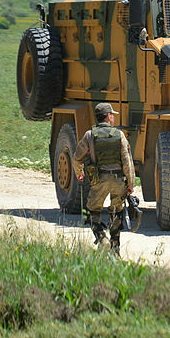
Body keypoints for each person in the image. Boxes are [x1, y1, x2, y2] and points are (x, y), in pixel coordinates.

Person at [72, 102, 135, 257]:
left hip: (99, 179)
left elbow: (77, 158)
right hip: (118, 180)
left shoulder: (89, 135)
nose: (113, 117)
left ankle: (102, 238)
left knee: (91, 210)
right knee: (116, 212)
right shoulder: (119, 135)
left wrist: (79, 172)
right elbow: (127, 161)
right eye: (112, 114)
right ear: (108, 116)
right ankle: (115, 249)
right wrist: (130, 183)